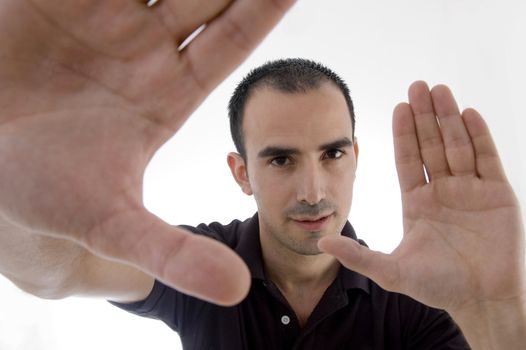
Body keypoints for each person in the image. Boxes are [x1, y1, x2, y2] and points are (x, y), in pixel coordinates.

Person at [0, 1, 524, 349]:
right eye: (281, 159)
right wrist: (15, 184)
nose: (314, 191)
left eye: (333, 155)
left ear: (357, 157)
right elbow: (57, 272)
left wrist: (493, 306)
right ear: (241, 172)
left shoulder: (415, 300)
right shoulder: (201, 266)